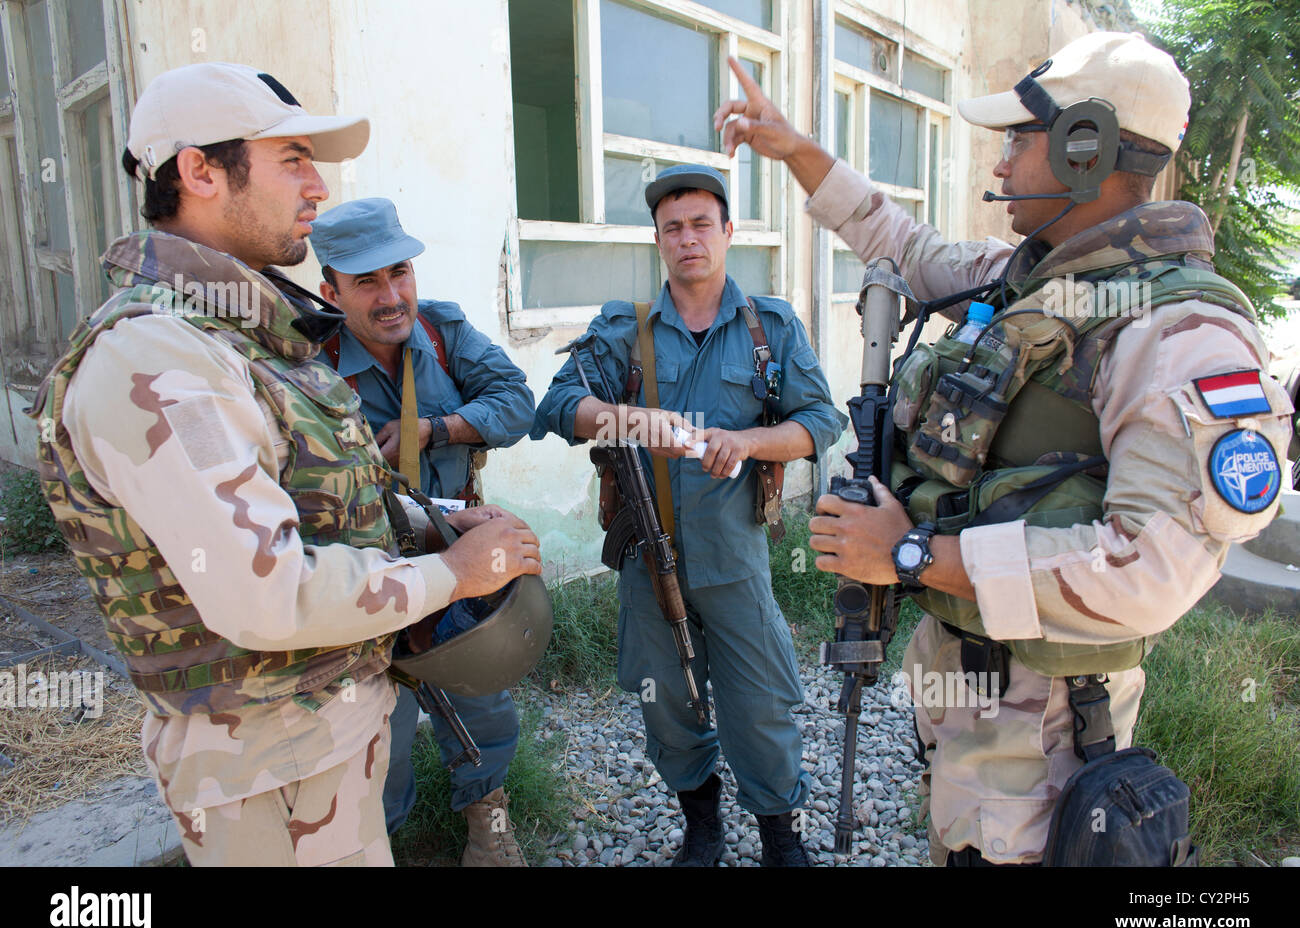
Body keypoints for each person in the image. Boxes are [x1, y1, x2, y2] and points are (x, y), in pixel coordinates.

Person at [715, 32, 1293, 866]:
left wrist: (912, 555)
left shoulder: (1180, 332)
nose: (1000, 167)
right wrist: (795, 149)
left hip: (1049, 730)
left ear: (1081, 150)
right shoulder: (1040, 280)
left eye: (1019, 142)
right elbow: (902, 247)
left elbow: (1154, 569)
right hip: (977, 702)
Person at [28, 62, 541, 866]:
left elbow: (309, 498)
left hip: (316, 744)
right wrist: (454, 574)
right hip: (263, 769)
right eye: (292, 159)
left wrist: (433, 523)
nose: (316, 187)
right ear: (198, 171)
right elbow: (267, 594)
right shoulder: (160, 355)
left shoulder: (244, 335)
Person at [533, 165, 846, 866]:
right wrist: (627, 419)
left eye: (702, 224)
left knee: (760, 702)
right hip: (648, 555)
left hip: (736, 555)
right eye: (673, 228)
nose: (688, 239)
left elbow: (822, 420)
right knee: (665, 703)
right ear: (658, 241)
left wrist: (751, 441)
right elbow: (554, 407)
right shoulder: (625, 329)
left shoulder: (771, 328)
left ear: (728, 232)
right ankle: (701, 826)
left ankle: (778, 836)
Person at [310, 197, 536, 866]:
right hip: (367, 578)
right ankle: (382, 842)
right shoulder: (306, 365)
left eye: (400, 273)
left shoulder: (443, 334)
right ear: (331, 291)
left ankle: (487, 829)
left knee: (483, 700)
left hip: (459, 557)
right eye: (367, 282)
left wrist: (438, 428)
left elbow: (517, 404)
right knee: (382, 725)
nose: (391, 296)